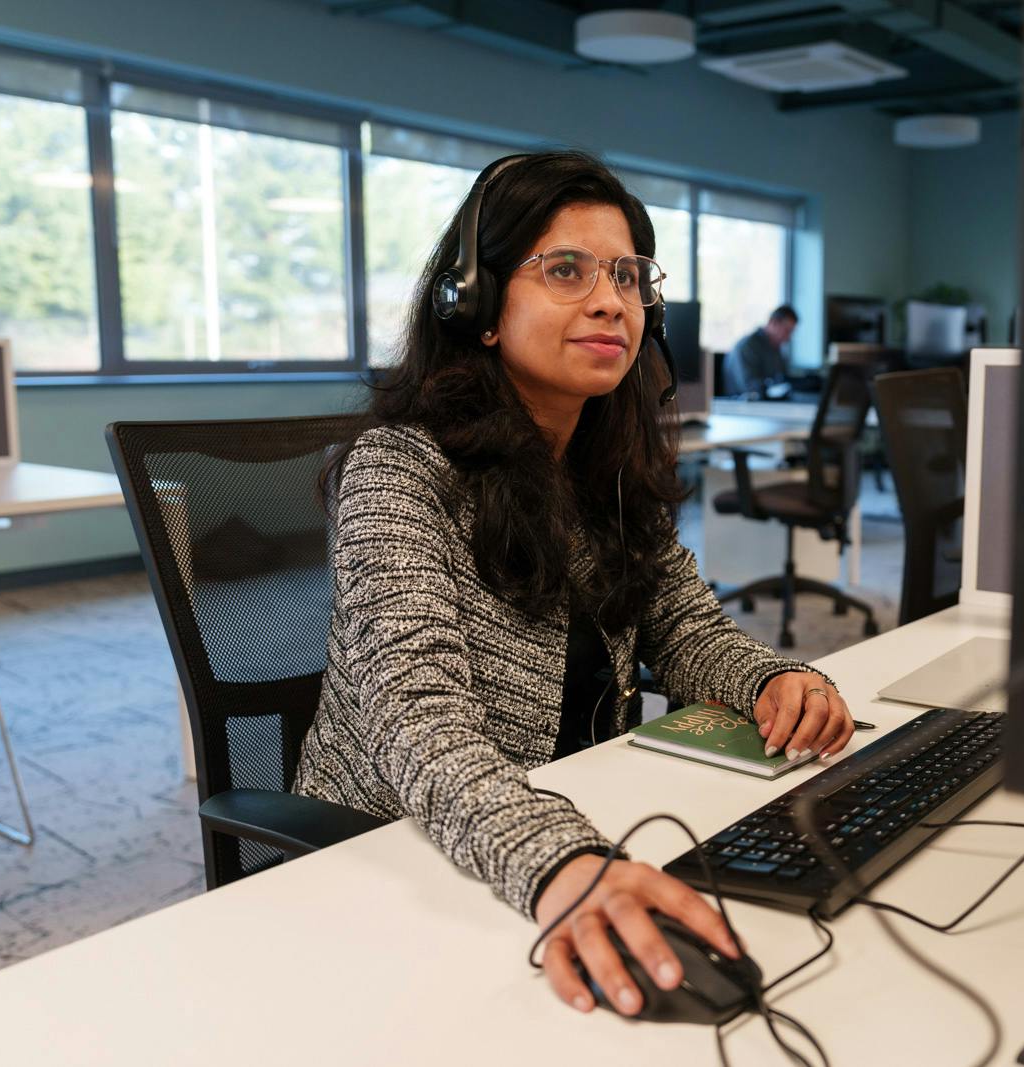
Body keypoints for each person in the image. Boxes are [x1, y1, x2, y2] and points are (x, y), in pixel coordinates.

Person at [291, 151, 854, 1018]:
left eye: (628, 276)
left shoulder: (608, 465)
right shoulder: (401, 471)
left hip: (575, 813)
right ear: (476, 306)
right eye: (566, 270)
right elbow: (417, 718)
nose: (610, 300)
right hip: (393, 852)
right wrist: (560, 863)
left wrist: (773, 678)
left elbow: (685, 628)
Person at [722, 304, 798, 398]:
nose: (788, 338)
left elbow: (781, 379)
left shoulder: (775, 348)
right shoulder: (748, 346)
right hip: (743, 406)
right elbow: (748, 388)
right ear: (773, 323)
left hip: (766, 405)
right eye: (786, 331)